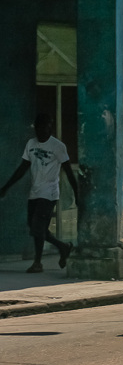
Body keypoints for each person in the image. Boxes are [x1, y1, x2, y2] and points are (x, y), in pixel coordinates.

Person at [0, 114, 78, 273]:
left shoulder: (58, 146)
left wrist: (77, 194)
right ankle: (63, 246)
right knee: (35, 227)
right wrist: (6, 187)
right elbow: (23, 168)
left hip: (49, 193)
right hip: (34, 192)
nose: (40, 132)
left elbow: (69, 172)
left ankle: (37, 262)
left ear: (50, 128)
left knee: (38, 227)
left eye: (44, 128)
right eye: (38, 129)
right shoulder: (31, 144)